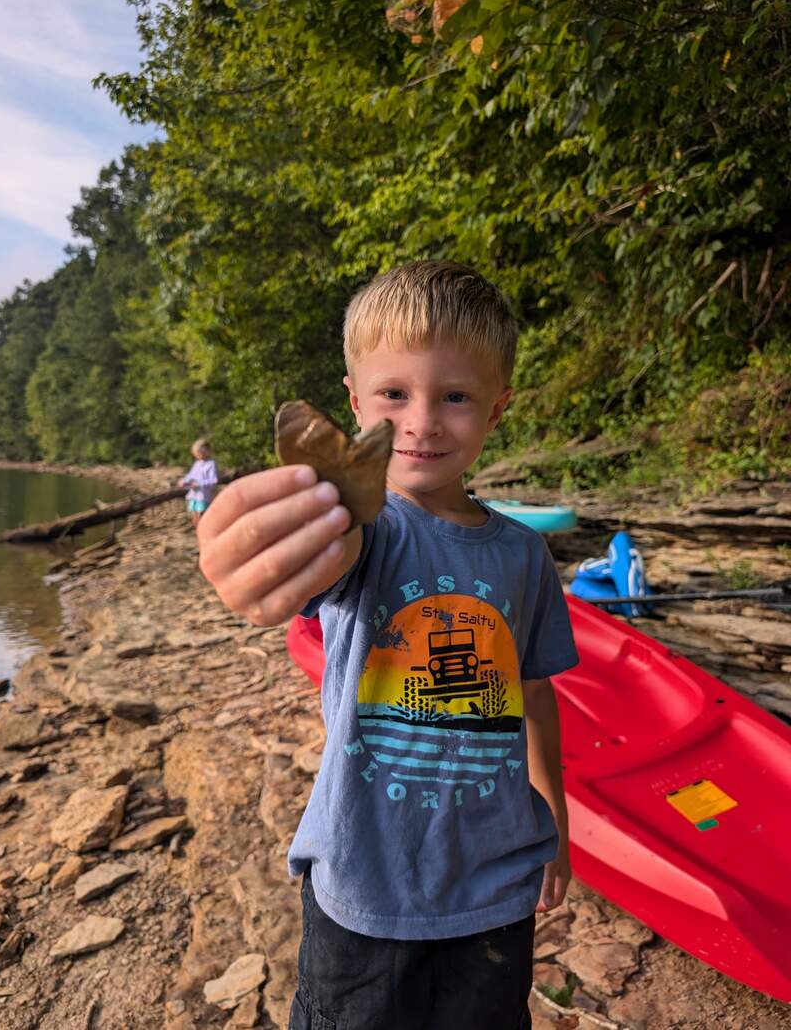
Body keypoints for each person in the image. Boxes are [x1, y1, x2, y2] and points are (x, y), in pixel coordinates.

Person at [197, 260, 579, 1030]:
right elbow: (308, 568)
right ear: (356, 402)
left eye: (456, 396)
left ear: (498, 407)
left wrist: (559, 827)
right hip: (363, 885)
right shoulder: (361, 531)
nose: (423, 421)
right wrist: (247, 556)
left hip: (497, 884)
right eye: (395, 394)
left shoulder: (524, 557)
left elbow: (534, 692)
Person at [180, 438, 218, 528]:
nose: (197, 455)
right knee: (195, 517)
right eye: (196, 453)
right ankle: (197, 534)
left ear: (207, 451)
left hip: (204, 496)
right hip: (194, 494)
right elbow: (191, 476)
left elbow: (213, 480)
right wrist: (184, 481)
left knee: (202, 518)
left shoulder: (211, 464)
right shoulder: (197, 464)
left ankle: (204, 534)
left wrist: (200, 484)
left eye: (199, 452)